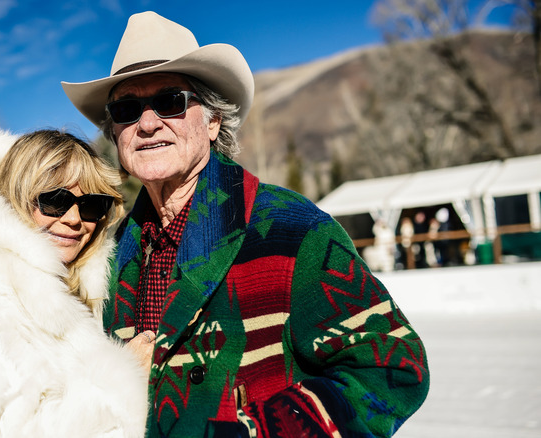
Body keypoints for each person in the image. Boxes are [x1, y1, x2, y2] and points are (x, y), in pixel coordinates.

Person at [62, 11, 429, 437]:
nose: (146, 123)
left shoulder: (291, 229)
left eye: (170, 101)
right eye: (127, 109)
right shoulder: (104, 256)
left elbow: (392, 364)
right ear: (115, 132)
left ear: (213, 121)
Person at [0, 127, 152, 437]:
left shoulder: (76, 292)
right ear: (12, 199)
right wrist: (129, 376)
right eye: (54, 200)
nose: (74, 219)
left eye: (92, 205)